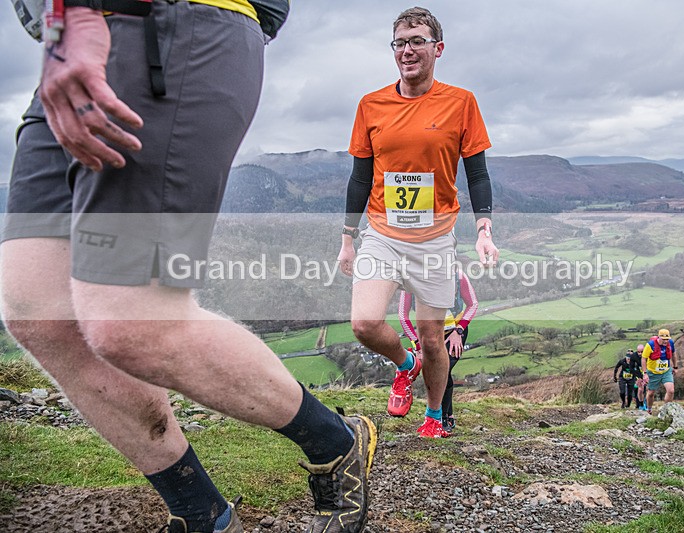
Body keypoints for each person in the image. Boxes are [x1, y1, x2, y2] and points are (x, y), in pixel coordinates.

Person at [2, 4, 377, 533]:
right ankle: (201, 514)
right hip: (67, 43)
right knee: (40, 312)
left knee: (132, 321)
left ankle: (336, 442)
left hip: (162, 27)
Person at [337, 7, 497, 439]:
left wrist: (484, 229)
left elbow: (477, 174)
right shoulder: (371, 105)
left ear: (437, 49)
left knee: (433, 337)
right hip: (383, 235)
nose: (407, 51)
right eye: (400, 43)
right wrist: (348, 239)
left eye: (417, 41)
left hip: (434, 241)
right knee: (365, 323)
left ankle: (433, 418)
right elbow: (360, 177)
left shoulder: (461, 102)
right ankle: (405, 366)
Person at [399, 268, 478, 433]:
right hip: (429, 335)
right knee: (440, 371)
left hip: (454, 333)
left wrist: (459, 330)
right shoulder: (410, 278)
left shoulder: (458, 275)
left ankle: (441, 417)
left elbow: (473, 304)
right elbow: (403, 315)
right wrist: (417, 345)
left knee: (444, 369)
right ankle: (445, 416)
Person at [641, 329, 679, 415]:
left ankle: (666, 410)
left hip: (666, 371)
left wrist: (675, 367)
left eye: (667, 339)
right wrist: (645, 373)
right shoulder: (650, 345)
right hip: (653, 372)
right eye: (663, 339)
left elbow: (673, 354)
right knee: (650, 393)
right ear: (659, 337)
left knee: (671, 390)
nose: (666, 341)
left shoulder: (671, 343)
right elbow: (643, 358)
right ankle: (649, 409)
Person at [635, 343, 648, 410]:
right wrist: (639, 378)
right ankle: (641, 404)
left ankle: (647, 404)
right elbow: (634, 369)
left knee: (648, 390)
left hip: (648, 375)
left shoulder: (649, 356)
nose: (640, 354)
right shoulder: (635, 358)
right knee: (640, 390)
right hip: (639, 376)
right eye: (638, 352)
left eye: (642, 352)